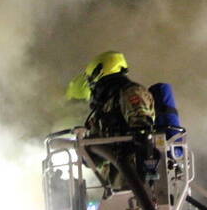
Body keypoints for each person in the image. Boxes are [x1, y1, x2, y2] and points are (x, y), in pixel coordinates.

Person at [66, 51, 155, 190]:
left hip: (134, 176)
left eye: (91, 79)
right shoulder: (105, 107)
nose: (91, 85)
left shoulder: (130, 92)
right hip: (115, 178)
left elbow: (142, 129)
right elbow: (97, 150)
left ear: (99, 72)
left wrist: (145, 173)